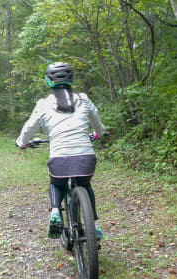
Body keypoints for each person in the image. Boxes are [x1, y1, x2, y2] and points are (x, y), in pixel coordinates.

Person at [15, 62, 108, 239]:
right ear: (71, 80)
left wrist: (21, 142)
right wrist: (99, 134)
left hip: (60, 159)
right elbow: (97, 123)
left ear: (48, 82)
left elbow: (29, 128)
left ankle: (56, 211)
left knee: (56, 182)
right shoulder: (83, 99)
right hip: (86, 158)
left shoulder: (43, 104)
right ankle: (94, 225)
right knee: (85, 184)